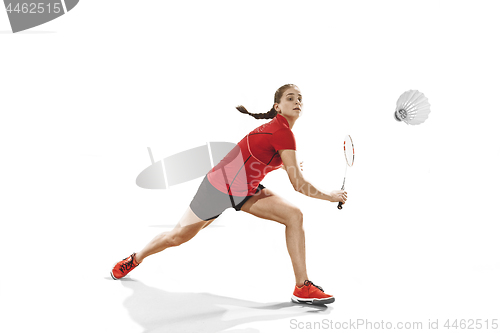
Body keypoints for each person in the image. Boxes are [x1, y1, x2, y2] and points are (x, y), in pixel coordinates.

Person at [110, 84, 347, 305]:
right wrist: (331, 195)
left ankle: (301, 287)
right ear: (277, 107)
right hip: (217, 189)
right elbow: (299, 185)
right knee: (177, 237)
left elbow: (256, 155)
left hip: (246, 189)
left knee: (294, 215)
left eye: (300, 99)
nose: (297, 102)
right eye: (290, 98)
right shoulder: (282, 132)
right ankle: (135, 258)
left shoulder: (280, 131)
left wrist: (280, 165)